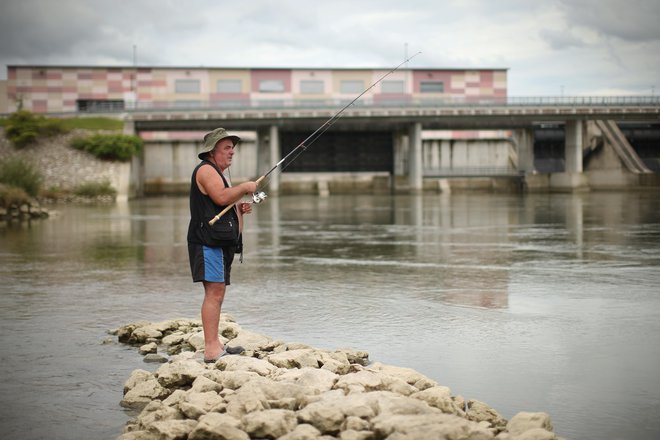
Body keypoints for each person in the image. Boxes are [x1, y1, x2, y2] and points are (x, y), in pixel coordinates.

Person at [187, 127, 257, 363]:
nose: (232, 153)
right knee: (214, 292)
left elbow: (221, 204)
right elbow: (220, 198)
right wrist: (244, 188)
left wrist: (239, 209)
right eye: (227, 148)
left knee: (217, 292)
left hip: (217, 242)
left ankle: (215, 344)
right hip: (207, 242)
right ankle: (211, 349)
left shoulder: (218, 173)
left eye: (233, 148)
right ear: (212, 151)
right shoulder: (206, 170)